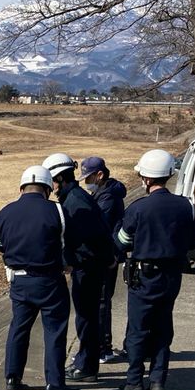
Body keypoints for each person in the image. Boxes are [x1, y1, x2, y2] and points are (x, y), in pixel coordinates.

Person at [114, 149, 195, 390]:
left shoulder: (138, 208)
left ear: (147, 179)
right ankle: (157, 380)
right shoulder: (187, 206)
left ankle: (133, 383)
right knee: (163, 328)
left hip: (144, 277)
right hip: (172, 275)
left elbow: (122, 241)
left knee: (138, 329)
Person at [0, 165, 80, 390]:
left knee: (19, 328)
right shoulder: (58, 211)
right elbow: (65, 244)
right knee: (54, 331)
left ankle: (12, 376)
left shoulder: (4, 213)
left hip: (19, 281)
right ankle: (54, 384)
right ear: (48, 188)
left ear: (21, 187)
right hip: (50, 281)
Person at [43, 153, 115, 382]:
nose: (51, 186)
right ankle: (86, 362)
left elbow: (92, 237)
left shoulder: (75, 201)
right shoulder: (73, 197)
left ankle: (87, 367)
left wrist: (73, 260)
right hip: (88, 265)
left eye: (52, 181)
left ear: (61, 179)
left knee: (87, 317)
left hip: (88, 267)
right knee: (86, 316)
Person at [79, 155, 129, 365]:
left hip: (107, 256)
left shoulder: (107, 196)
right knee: (101, 300)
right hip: (106, 255)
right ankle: (101, 346)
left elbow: (100, 226)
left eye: (88, 178)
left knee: (101, 301)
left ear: (99, 175)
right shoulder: (105, 192)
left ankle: (103, 348)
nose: (87, 182)